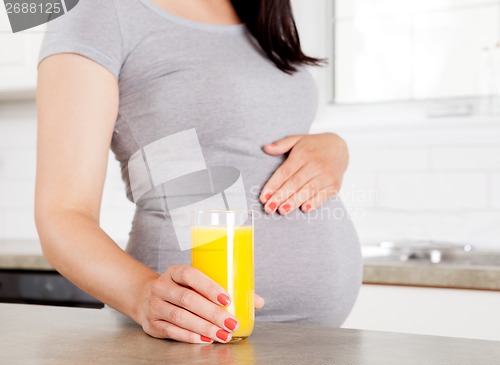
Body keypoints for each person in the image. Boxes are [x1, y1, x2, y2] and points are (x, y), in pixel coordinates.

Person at [35, 0, 362, 344]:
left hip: (314, 345)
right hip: (190, 336)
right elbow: (62, 213)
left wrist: (334, 148)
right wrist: (143, 294)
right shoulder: (94, 10)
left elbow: (249, 138)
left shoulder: (257, 10)